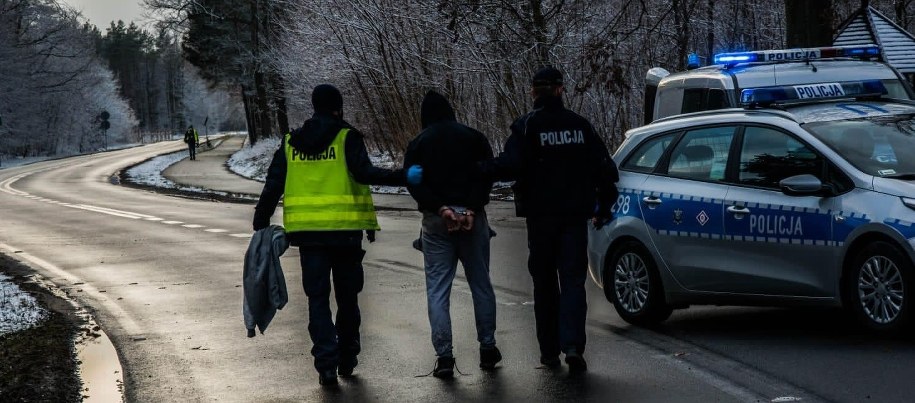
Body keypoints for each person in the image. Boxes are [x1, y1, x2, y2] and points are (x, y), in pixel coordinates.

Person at [253, 84, 422, 386]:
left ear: (314, 107)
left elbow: (274, 182)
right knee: (347, 298)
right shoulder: (347, 138)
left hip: (308, 237)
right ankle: (347, 357)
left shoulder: (291, 142)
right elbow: (366, 174)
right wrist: (403, 175)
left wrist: (261, 219)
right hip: (345, 235)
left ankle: (326, 365)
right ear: (338, 108)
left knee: (317, 300)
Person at [477, 67, 619, 373]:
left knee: (543, 284)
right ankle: (573, 347)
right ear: (561, 90)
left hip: (540, 219)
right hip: (573, 218)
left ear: (533, 92)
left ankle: (549, 350)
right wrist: (603, 204)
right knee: (572, 282)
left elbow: (510, 166)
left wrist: (478, 168)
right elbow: (606, 170)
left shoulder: (527, 127)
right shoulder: (581, 127)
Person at [403, 90, 501, 378]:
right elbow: (487, 174)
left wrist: (441, 208)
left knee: (437, 290)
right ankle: (487, 348)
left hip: (436, 222)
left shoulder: (419, 143)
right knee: (481, 284)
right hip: (474, 219)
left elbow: (413, 182)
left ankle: (444, 357)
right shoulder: (474, 138)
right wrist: (470, 209)